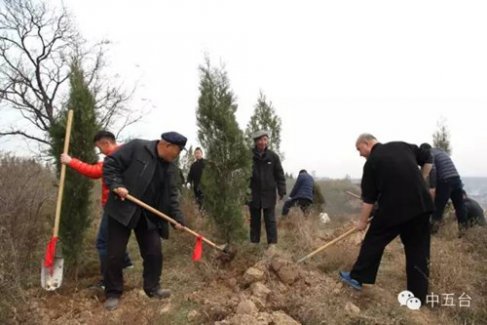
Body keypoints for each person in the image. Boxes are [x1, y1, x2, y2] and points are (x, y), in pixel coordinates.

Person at [339, 133, 434, 303]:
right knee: (418, 252)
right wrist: (422, 178)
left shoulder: (371, 163)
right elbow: (428, 157)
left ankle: (357, 277)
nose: (359, 154)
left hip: (394, 209)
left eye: (359, 149)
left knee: (374, 240)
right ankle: (418, 297)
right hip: (421, 206)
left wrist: (362, 222)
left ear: (366, 143)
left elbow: (368, 200)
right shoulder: (403, 145)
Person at [102, 132, 187, 310]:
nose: (177, 155)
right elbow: (111, 163)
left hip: (148, 214)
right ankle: (113, 292)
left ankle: (152, 288)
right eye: (177, 151)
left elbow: (172, 195)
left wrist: (177, 219)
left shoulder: (170, 167)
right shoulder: (137, 147)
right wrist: (117, 185)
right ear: (167, 145)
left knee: (154, 252)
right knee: (114, 254)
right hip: (122, 208)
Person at [60, 130, 132, 289]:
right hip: (122, 205)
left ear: (106, 143)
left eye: (99, 147)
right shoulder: (126, 153)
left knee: (103, 243)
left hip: (115, 206)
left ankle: (108, 280)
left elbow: (95, 172)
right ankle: (124, 264)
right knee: (115, 239)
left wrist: (71, 161)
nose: (99, 151)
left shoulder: (114, 156)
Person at [419, 143, 468, 234]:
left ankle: (433, 231)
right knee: (460, 206)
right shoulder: (441, 152)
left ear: (424, 151)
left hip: (445, 181)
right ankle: (463, 231)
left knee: (438, 207)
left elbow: (433, 170)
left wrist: (433, 187)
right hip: (456, 178)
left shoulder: (430, 154)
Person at [249, 130, 286, 246]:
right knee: (255, 219)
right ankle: (254, 242)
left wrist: (281, 190)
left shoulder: (273, 157)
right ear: (256, 142)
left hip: (269, 193)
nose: (263, 142)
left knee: (270, 219)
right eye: (260, 140)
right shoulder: (249, 156)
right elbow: (243, 175)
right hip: (253, 193)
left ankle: (272, 244)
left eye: (265, 139)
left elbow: (279, 174)